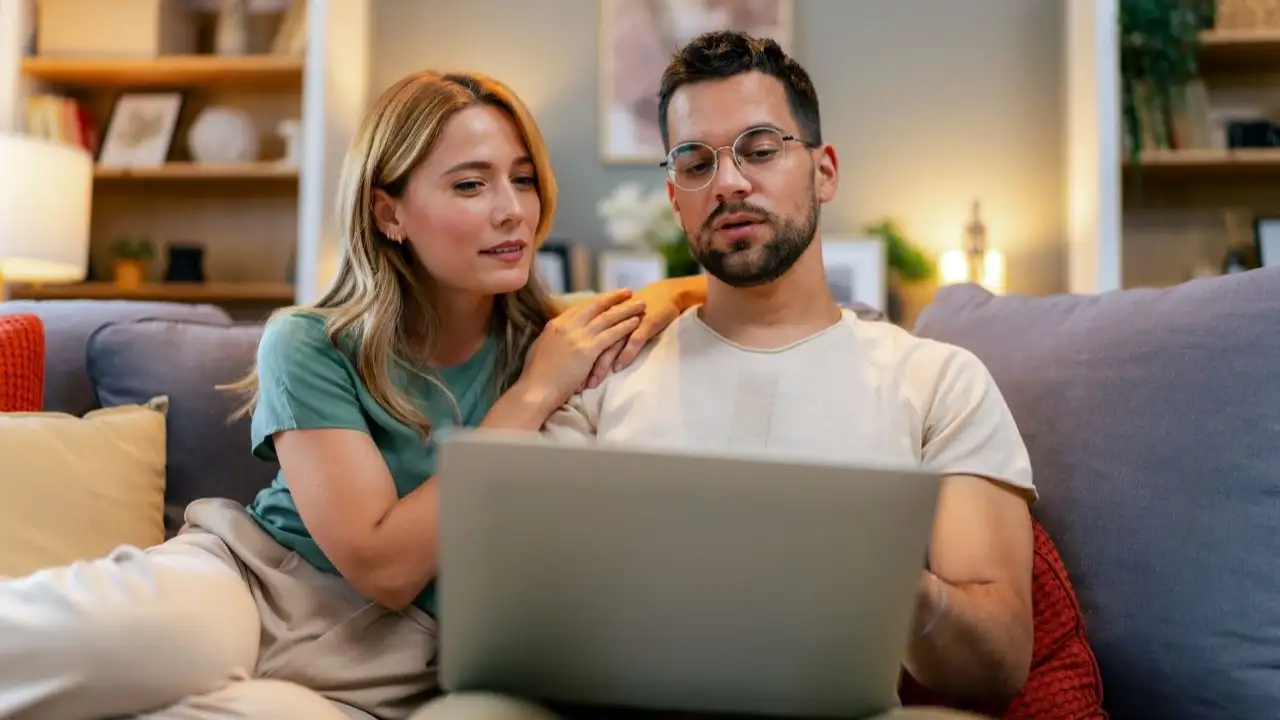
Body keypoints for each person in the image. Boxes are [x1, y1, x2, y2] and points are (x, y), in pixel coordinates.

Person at [0, 71, 709, 720]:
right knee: (113, 641)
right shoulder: (311, 342)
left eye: (522, 180)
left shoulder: (561, 335)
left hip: (400, 665)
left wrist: (676, 284)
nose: (511, 211)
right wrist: (529, 397)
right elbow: (384, 564)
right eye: (470, 185)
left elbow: (716, 288)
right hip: (254, 586)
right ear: (388, 212)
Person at [414, 31, 1034, 720]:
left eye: (761, 150)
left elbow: (1002, 657)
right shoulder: (606, 364)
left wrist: (891, 583)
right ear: (675, 196)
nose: (730, 182)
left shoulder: (937, 379)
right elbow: (518, 595)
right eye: (696, 162)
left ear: (824, 171)